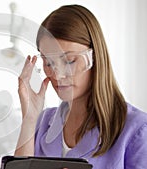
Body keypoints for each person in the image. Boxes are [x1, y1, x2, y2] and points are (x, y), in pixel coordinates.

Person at [15, 4, 147, 168]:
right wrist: (29, 119)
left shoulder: (137, 129)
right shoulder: (43, 122)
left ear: (95, 57)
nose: (57, 75)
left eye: (69, 61)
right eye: (49, 63)